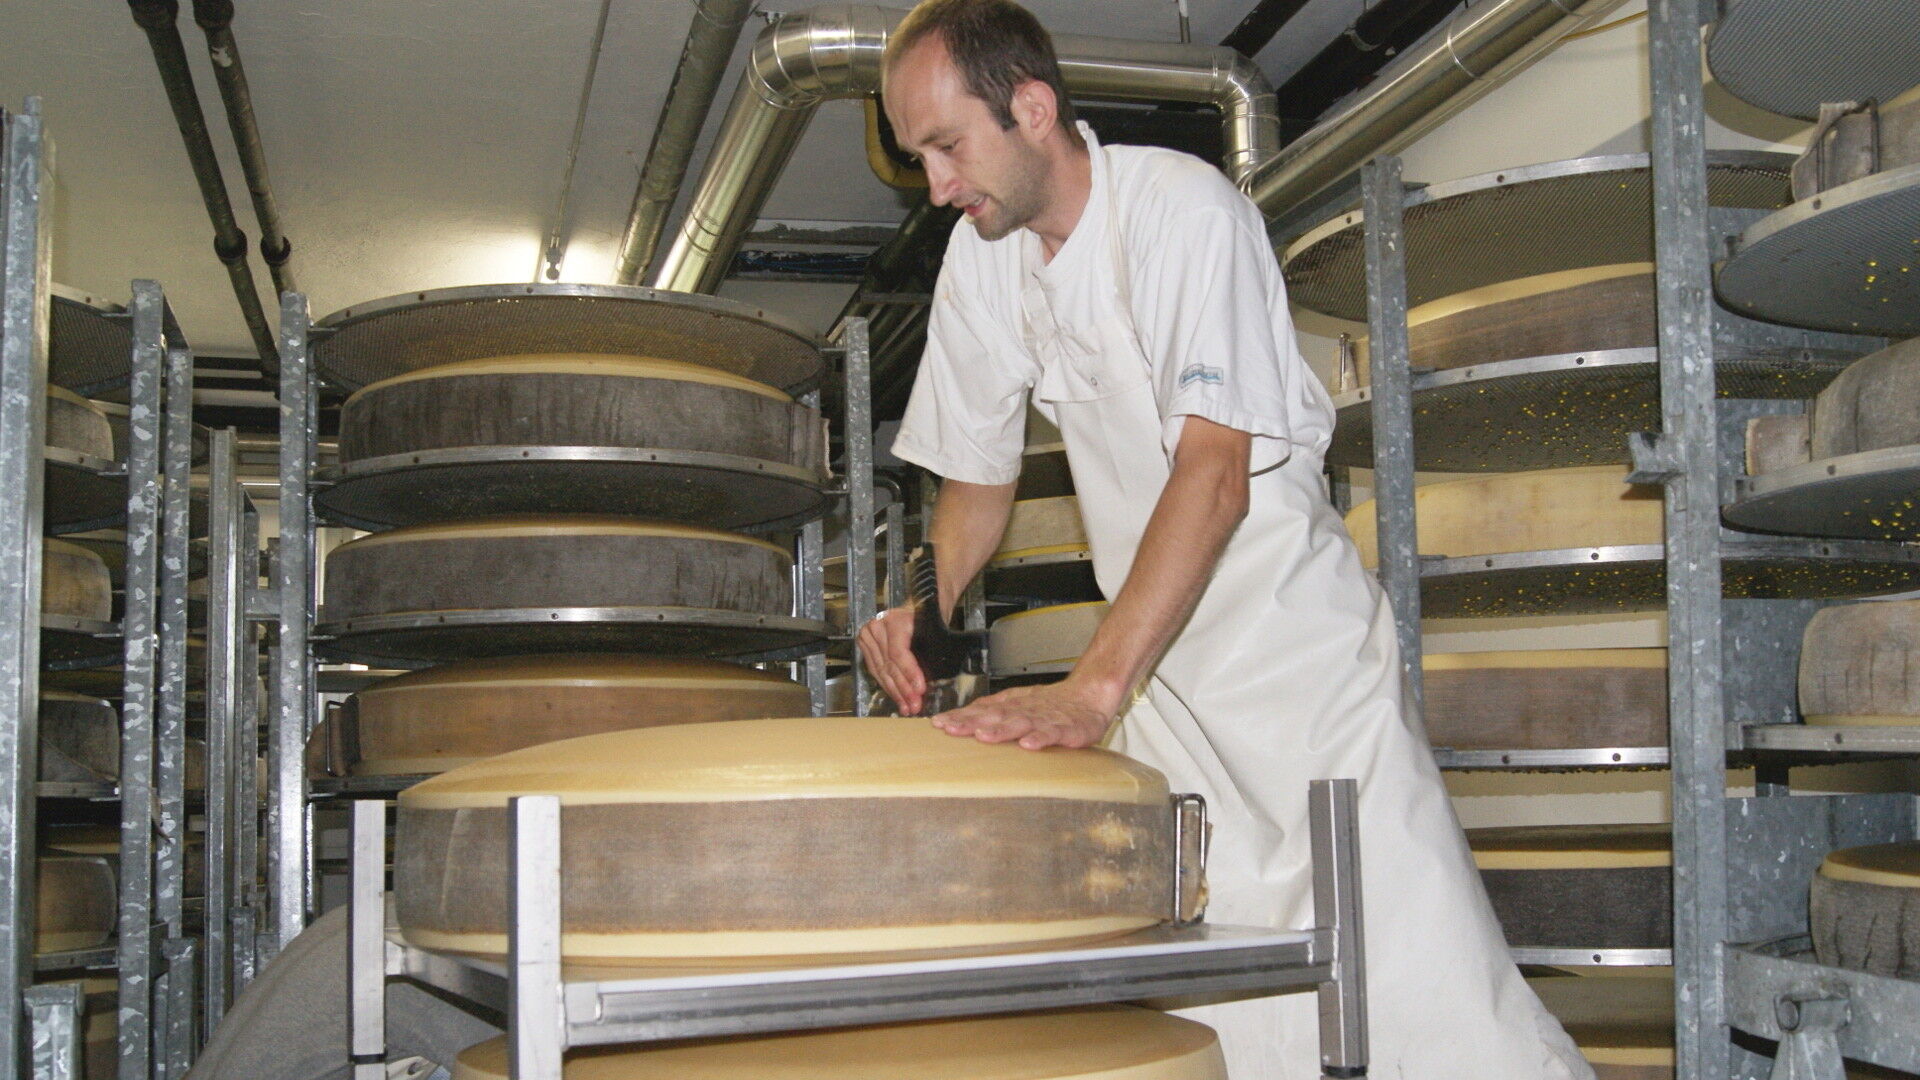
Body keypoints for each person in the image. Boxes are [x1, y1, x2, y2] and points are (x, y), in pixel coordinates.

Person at [856, 2, 1596, 1076]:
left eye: (946, 146)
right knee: (1219, 1012)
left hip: (1298, 670)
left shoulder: (1183, 213)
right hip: (1161, 676)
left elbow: (1213, 478)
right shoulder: (984, 257)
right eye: (919, 157)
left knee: (1426, 996)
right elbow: (977, 476)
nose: (934, 186)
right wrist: (923, 609)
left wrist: (1090, 692)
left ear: (1032, 108)